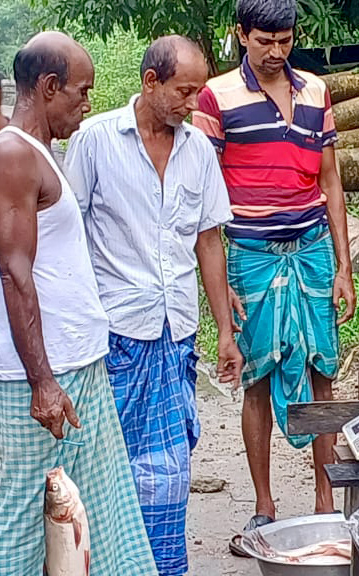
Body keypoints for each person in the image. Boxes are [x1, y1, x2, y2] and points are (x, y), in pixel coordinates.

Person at [0, 31, 158, 575]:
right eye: (81, 92)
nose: (87, 104)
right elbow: (14, 272)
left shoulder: (42, 154)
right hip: (42, 374)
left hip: (79, 362)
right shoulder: (11, 154)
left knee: (103, 512)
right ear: (48, 86)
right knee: (24, 521)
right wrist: (41, 382)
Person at [64, 35, 243, 575]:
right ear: (150, 83)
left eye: (198, 91)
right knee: (106, 466)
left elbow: (209, 241)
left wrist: (225, 333)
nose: (193, 103)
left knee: (168, 471)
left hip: (175, 337)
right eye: (184, 91)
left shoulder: (197, 151)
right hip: (114, 334)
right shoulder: (95, 141)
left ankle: (164, 567)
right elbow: (68, 237)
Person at [193, 0, 356, 552]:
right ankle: (264, 504)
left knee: (323, 368)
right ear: (242, 35)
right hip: (250, 253)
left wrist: (344, 267)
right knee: (256, 374)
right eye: (264, 40)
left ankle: (325, 498)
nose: (276, 51)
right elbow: (206, 198)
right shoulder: (216, 96)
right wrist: (221, 290)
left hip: (311, 248)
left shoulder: (316, 90)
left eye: (284, 39)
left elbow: (331, 181)